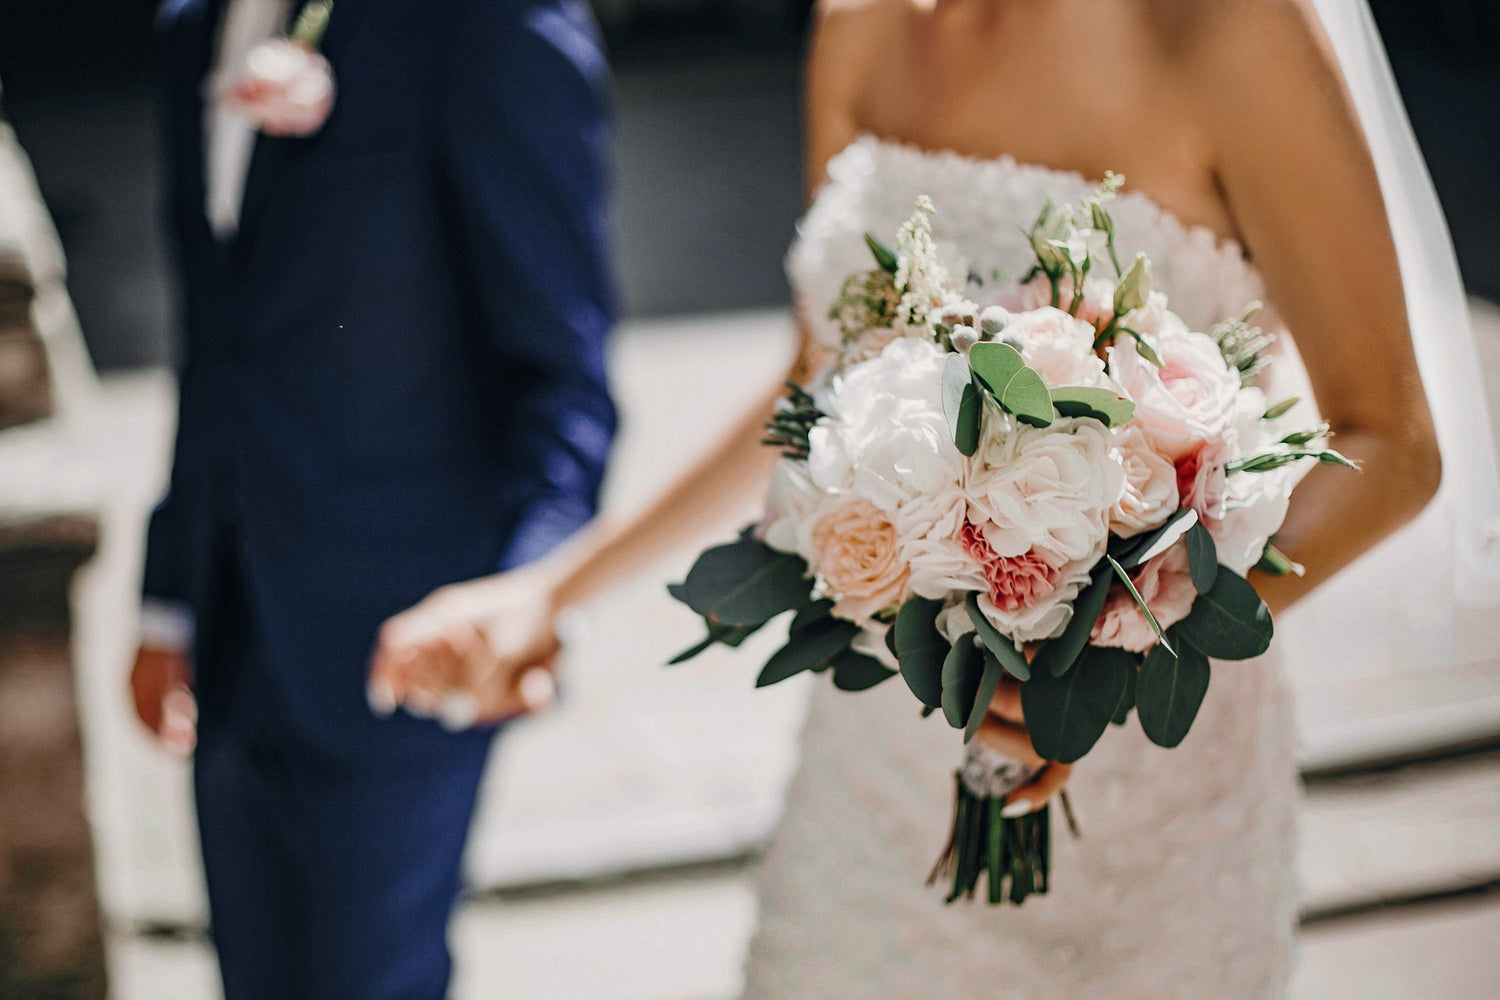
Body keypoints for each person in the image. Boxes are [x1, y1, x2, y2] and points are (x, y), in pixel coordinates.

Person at [372, 0, 1497, 995]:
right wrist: (549, 589)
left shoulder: (1224, 25)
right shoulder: (858, 21)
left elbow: (1392, 444)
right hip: (876, 784)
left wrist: (1112, 654)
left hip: (1148, 793)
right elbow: (814, 385)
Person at [128, 0, 617, 996]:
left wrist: (526, 598)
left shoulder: (486, 23)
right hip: (228, 632)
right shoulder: (189, 27)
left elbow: (563, 377)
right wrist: (167, 594)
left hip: (404, 629)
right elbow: (217, 346)